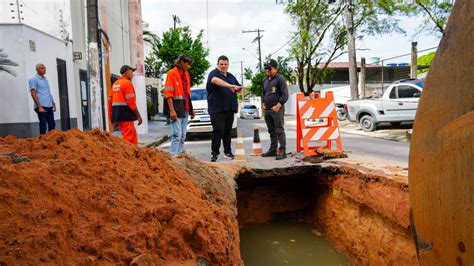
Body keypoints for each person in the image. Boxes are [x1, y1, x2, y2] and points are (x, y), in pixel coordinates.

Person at [206, 55, 242, 162]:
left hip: (229, 108)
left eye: (225, 64)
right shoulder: (214, 73)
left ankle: (227, 152)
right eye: (221, 64)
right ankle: (215, 153)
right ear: (217, 64)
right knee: (218, 131)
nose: (223, 66)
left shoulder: (231, 76)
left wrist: (239, 88)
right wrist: (230, 86)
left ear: (228, 64)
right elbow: (215, 80)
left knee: (227, 132)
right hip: (217, 109)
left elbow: (239, 87)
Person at [164, 54, 195, 156]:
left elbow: (187, 94)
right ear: (181, 62)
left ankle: (181, 156)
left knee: (183, 136)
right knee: (177, 135)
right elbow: (168, 94)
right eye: (187, 64)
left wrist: (191, 110)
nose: (188, 66)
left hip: (185, 108)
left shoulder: (186, 74)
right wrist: (172, 110)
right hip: (176, 109)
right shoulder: (171, 73)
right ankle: (173, 156)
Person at [108, 65, 143, 145]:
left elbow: (110, 101)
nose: (133, 75)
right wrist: (138, 116)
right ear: (127, 72)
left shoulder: (115, 84)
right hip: (126, 114)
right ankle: (129, 155)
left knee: (131, 134)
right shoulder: (127, 84)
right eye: (132, 72)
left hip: (119, 115)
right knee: (129, 137)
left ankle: (135, 153)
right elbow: (131, 103)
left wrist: (111, 118)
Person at [261, 59, 289, 160]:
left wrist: (278, 105)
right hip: (267, 110)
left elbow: (285, 94)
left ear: (276, 68)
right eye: (266, 68)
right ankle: (273, 150)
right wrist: (263, 103)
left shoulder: (280, 79)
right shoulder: (265, 80)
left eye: (269, 68)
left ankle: (282, 151)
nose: (267, 70)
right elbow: (263, 93)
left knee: (279, 130)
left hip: (277, 109)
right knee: (271, 131)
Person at [29, 63, 56, 135]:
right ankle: (42, 142)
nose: (44, 70)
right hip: (41, 106)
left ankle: (52, 141)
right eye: (42, 68)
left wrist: (53, 103)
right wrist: (39, 107)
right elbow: (33, 93)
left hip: (49, 105)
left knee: (52, 125)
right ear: (37, 69)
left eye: (45, 68)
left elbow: (48, 92)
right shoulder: (34, 80)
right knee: (43, 126)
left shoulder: (45, 80)